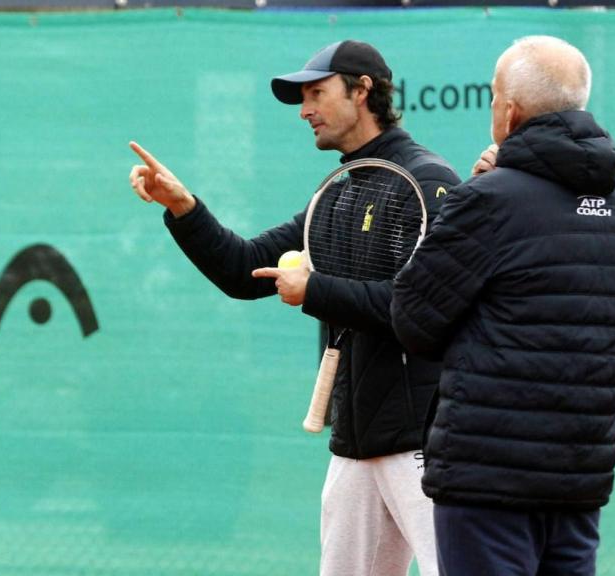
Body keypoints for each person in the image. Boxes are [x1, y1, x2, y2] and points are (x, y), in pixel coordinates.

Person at [129, 40, 459, 575]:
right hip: (355, 443)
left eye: (317, 93)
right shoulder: (338, 193)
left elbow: (421, 308)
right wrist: (183, 208)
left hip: (422, 441)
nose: (305, 109)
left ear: (362, 90)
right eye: (302, 97)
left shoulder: (427, 181)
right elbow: (244, 270)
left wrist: (315, 290)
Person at [391, 36, 615, 576]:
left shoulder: (486, 200)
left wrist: (471, 197)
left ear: (509, 110)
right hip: (579, 475)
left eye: (491, 97)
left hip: (487, 478)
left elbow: (413, 318)